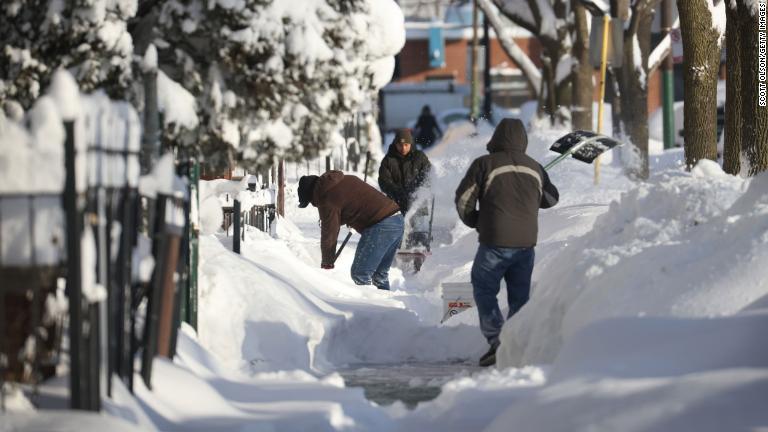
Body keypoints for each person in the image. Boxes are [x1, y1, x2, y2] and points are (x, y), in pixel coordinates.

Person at [454, 118, 559, 367]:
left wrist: (476, 220)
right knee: (519, 297)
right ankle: (516, 345)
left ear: (496, 138)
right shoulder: (534, 167)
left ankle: (497, 340)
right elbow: (551, 199)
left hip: (494, 241)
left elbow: (463, 199)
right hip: (525, 244)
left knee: (484, 289)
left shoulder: (484, 164)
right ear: (523, 140)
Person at [298, 171, 403, 290]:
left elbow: (329, 233)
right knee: (379, 275)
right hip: (397, 219)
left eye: (311, 202)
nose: (314, 205)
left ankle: (368, 307)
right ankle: (386, 306)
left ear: (312, 195)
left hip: (381, 225)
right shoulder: (343, 179)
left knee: (360, 274)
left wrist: (327, 262)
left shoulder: (325, 197)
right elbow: (355, 202)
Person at [378, 128, 432, 215]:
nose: (403, 148)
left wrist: (417, 191)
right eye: (400, 145)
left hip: (417, 206)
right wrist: (397, 193)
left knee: (418, 227)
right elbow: (384, 181)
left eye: (406, 145)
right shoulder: (388, 160)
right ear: (396, 144)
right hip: (395, 207)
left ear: (410, 144)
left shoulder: (420, 157)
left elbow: (428, 175)